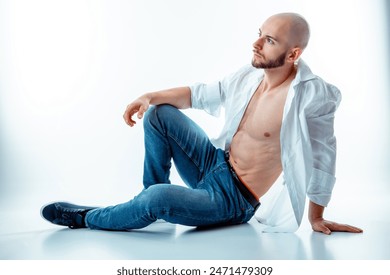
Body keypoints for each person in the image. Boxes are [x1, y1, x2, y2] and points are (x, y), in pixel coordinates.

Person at [41, 12, 363, 235]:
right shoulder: (251, 75)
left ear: (293, 54)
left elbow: (324, 156)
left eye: (269, 40)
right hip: (214, 163)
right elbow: (202, 94)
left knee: (158, 200)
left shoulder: (313, 96)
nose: (256, 44)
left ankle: (88, 218)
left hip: (233, 199)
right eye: (258, 34)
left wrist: (316, 216)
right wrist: (149, 96)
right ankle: (147, 206)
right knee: (159, 114)